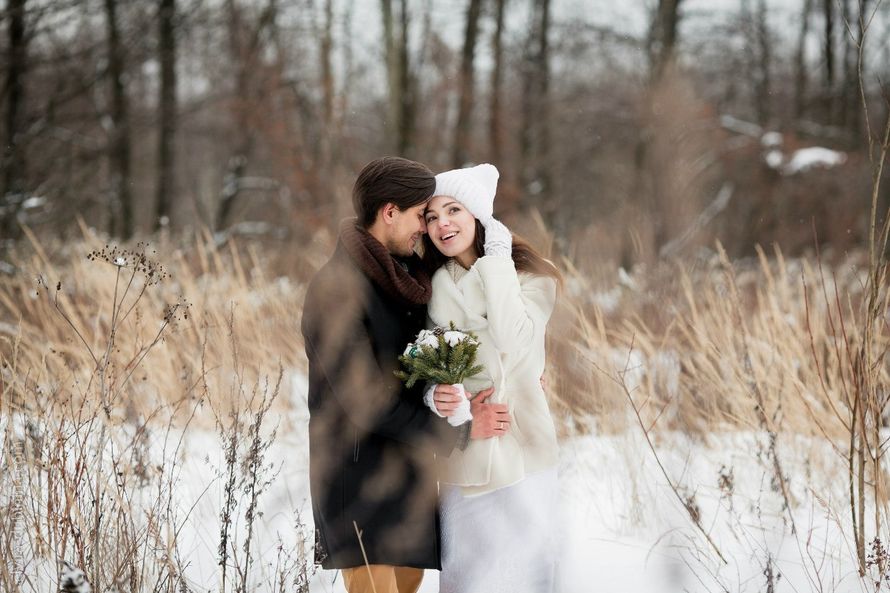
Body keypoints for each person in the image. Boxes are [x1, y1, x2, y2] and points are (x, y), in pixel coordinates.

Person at [300, 156, 510, 593]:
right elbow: (364, 402)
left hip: (408, 478)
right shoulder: (336, 289)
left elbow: (430, 364)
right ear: (389, 212)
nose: (425, 227)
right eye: (421, 215)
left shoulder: (406, 282)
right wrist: (458, 434)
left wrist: (514, 376)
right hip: (359, 483)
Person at [420, 163, 563, 593]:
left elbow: (511, 339)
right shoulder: (432, 285)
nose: (442, 223)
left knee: (529, 576)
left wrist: (496, 262)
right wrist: (438, 399)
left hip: (524, 451)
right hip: (466, 457)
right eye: (431, 216)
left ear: (480, 216)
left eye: (453, 211)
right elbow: (427, 363)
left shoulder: (534, 276)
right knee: (466, 580)